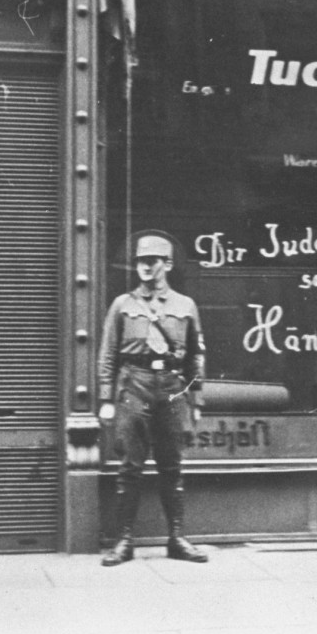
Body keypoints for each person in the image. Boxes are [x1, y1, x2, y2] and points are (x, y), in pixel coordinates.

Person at [97, 233, 208, 566]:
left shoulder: (185, 306)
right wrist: (106, 397)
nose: (144, 267)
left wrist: (197, 400)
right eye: (140, 262)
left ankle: (176, 538)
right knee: (130, 466)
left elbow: (196, 356)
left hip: (172, 388)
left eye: (152, 261)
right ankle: (124, 541)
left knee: (172, 466)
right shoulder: (123, 305)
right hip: (135, 385)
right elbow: (108, 354)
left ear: (167, 264)